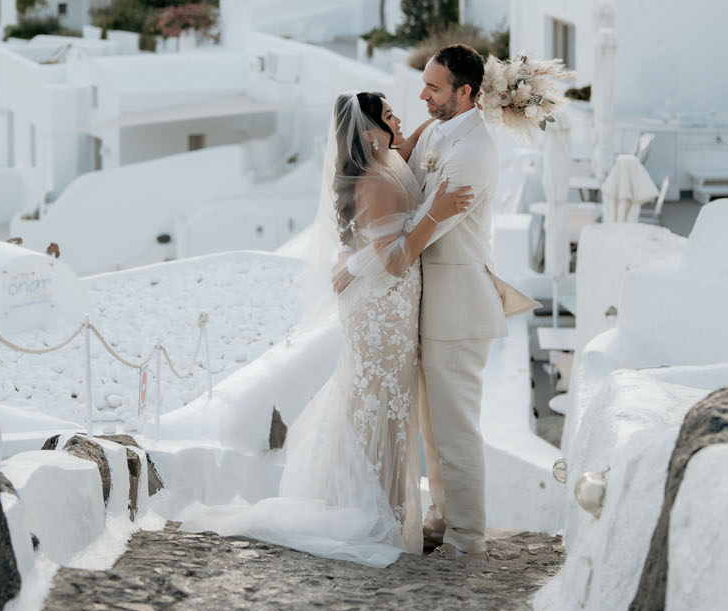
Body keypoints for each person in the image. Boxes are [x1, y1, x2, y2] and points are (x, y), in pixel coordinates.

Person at [179, 90, 472, 565]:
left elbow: (401, 170)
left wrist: (431, 130)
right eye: (391, 116)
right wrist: (438, 211)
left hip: (390, 309)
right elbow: (394, 259)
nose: (402, 121)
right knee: (377, 405)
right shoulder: (376, 180)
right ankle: (368, 511)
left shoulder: (390, 162)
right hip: (381, 313)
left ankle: (388, 513)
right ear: (371, 131)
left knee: (389, 409)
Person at [411, 45, 536, 564]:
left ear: (466, 93)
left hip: (458, 307)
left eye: (434, 88)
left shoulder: (475, 151)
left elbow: (426, 225)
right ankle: (442, 519)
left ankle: (468, 539)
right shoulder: (441, 131)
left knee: (456, 428)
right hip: (432, 304)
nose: (423, 95)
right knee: (432, 426)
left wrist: (377, 256)